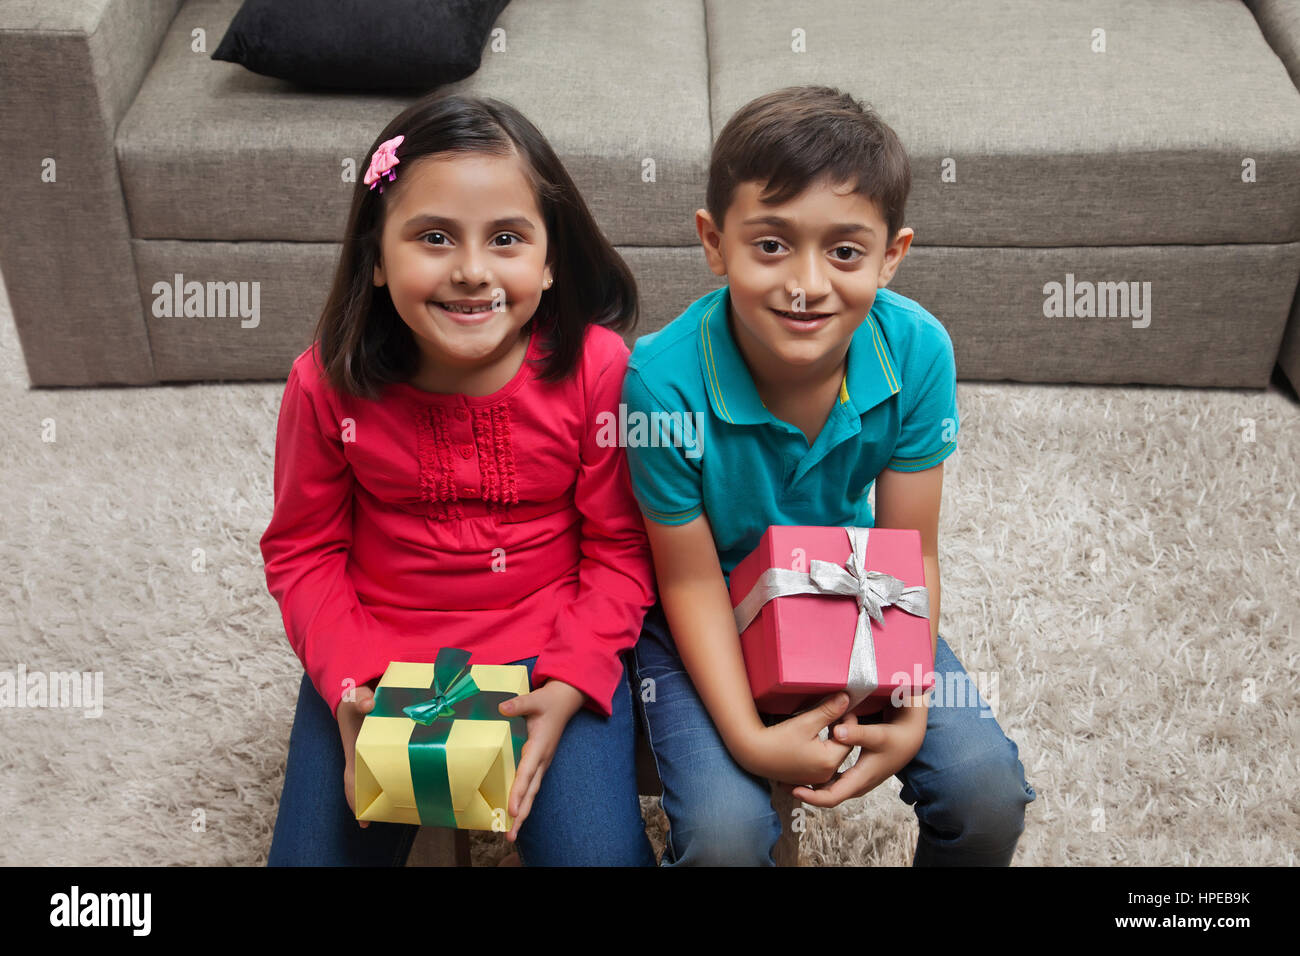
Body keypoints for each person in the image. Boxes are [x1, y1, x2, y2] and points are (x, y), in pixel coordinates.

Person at [621, 85, 1037, 866]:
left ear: (892, 256)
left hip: (851, 592)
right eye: (771, 245)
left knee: (985, 791)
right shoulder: (659, 384)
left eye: (844, 252)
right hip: (699, 616)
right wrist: (748, 736)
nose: (806, 283)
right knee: (723, 834)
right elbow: (686, 582)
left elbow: (914, 554)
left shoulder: (918, 351)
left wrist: (909, 703)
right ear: (714, 243)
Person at [260, 91, 657, 866]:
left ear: (550, 264)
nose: (472, 272)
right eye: (434, 237)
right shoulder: (323, 384)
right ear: (375, 257)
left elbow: (621, 549)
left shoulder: (598, 370)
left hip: (548, 652)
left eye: (506, 238)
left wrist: (574, 679)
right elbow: (302, 551)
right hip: (379, 656)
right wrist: (348, 683)